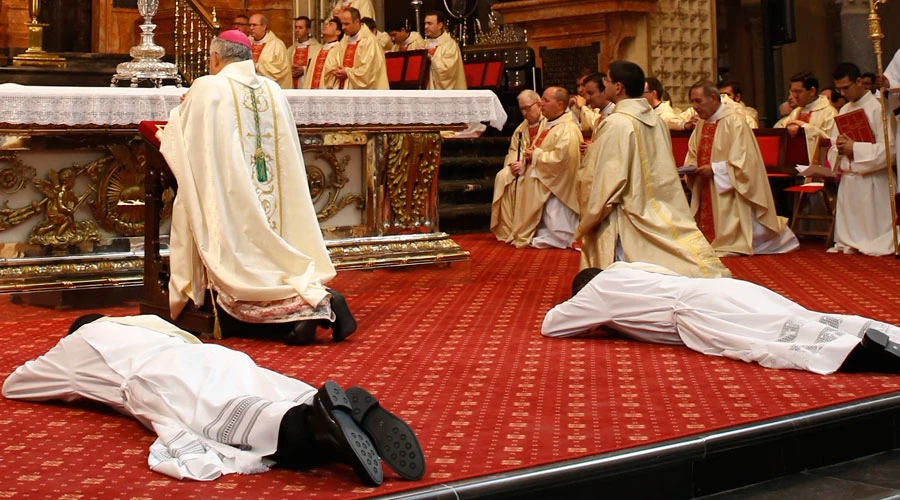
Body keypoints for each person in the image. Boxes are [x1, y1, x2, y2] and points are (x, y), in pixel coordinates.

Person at [2, 314, 425, 485]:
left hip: (159, 378)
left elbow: (15, 385)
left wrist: (65, 358)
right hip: (213, 357)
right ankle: (335, 414)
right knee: (261, 387)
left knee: (225, 422)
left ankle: (317, 430)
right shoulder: (145, 322)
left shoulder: (77, 347)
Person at [160, 31, 351, 346]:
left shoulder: (208, 86)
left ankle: (313, 307)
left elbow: (181, 136)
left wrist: (182, 108)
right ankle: (310, 305)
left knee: (239, 271)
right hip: (273, 206)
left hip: (233, 203)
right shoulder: (273, 89)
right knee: (273, 262)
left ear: (217, 59)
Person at [542, 263, 900, 376]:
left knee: (770, 342)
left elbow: (552, 325)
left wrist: (595, 318)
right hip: (721, 289)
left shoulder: (595, 293)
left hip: (700, 314)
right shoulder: (626, 266)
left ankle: (871, 357)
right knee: (798, 317)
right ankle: (874, 333)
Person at [577, 61, 730, 278]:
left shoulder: (617, 124)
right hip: (659, 203)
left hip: (629, 209)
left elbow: (607, 178)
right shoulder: (655, 121)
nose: (605, 85)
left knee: (636, 271)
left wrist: (591, 211)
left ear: (618, 87)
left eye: (607, 81)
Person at [683, 80, 799, 256]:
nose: (694, 107)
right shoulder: (701, 124)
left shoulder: (734, 122)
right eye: (693, 101)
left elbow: (744, 162)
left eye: (698, 101)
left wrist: (714, 169)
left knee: (746, 234)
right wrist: (691, 169)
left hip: (730, 191)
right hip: (707, 187)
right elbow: (693, 152)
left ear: (713, 98)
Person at [496, 86, 582, 249]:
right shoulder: (551, 125)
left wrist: (535, 155)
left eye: (546, 100)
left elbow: (563, 160)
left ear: (560, 104)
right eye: (541, 99)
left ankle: (555, 236)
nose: (541, 104)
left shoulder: (567, 129)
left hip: (556, 187)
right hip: (541, 176)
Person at [826, 62, 896, 256]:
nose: (843, 93)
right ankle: (848, 241)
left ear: (859, 81)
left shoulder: (879, 108)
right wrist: (839, 147)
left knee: (875, 242)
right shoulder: (844, 109)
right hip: (850, 178)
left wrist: (855, 148)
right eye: (838, 89)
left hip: (873, 179)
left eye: (846, 88)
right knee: (848, 243)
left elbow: (891, 149)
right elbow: (833, 142)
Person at [491, 89, 547, 243]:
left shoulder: (547, 125)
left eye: (527, 108)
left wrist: (524, 162)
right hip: (521, 164)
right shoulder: (521, 128)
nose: (524, 113)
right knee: (502, 176)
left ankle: (524, 228)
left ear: (538, 105)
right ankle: (507, 227)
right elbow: (514, 149)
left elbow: (545, 148)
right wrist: (513, 163)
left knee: (525, 178)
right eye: (521, 109)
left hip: (536, 165)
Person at [778, 71, 836, 163]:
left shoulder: (829, 112)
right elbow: (779, 131)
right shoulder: (796, 111)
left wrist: (804, 126)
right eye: (792, 92)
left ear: (812, 91)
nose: (794, 96)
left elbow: (830, 143)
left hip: (818, 167)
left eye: (798, 92)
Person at [327, 8, 389, 90]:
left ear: (356, 22)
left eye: (346, 24)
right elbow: (334, 59)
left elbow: (368, 72)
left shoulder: (369, 41)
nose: (343, 27)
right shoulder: (344, 40)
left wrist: (347, 72)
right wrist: (335, 69)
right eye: (342, 24)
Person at [423, 12, 467, 90]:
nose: (426, 26)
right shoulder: (425, 44)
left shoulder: (450, 45)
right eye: (425, 23)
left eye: (429, 24)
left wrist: (430, 56)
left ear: (440, 25)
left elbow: (448, 72)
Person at [248, 13, 292, 88]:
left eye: (254, 25)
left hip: (268, 89)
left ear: (264, 27)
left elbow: (279, 71)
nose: (251, 28)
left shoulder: (277, 45)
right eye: (250, 25)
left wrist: (257, 66)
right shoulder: (246, 42)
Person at [306, 17, 343, 89]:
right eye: (326, 24)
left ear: (338, 32)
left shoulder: (339, 50)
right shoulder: (318, 50)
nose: (326, 25)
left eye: (330, 24)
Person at [289, 16, 321, 89]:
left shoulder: (317, 48)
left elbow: (319, 69)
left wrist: (304, 70)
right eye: (296, 27)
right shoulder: (290, 50)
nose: (297, 30)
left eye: (300, 28)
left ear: (308, 30)